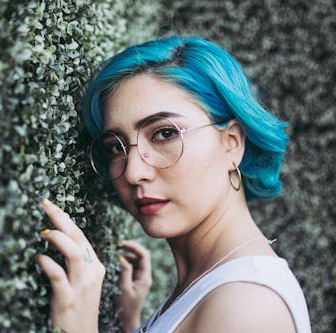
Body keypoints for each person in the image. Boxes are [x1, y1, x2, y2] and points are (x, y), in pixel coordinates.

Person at [35, 36, 311, 333]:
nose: (132, 172)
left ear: (232, 143)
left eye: (164, 133)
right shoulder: (211, 283)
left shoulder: (247, 307)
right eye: (116, 147)